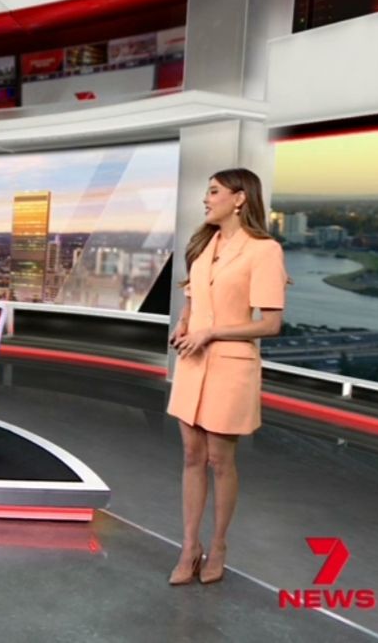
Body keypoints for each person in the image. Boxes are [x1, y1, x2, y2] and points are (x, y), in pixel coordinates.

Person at [166, 168, 288, 586]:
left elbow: (270, 324)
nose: (206, 199)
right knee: (191, 456)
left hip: (230, 365)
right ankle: (189, 547)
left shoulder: (264, 250)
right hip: (193, 361)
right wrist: (184, 324)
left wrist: (211, 332)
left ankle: (217, 545)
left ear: (239, 199)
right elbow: (193, 298)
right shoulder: (204, 245)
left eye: (214, 191)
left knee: (220, 461)